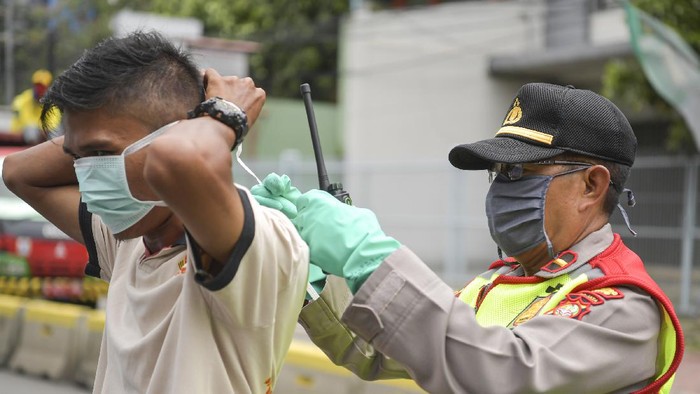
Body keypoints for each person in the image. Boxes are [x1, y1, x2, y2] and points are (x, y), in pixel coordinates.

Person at [252, 83, 685, 393]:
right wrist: (310, 271)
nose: (501, 188)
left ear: (592, 186)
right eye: (497, 173)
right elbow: (381, 351)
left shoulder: (622, 306)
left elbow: (503, 374)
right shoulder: (497, 283)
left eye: (519, 172)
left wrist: (368, 254)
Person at [2, 31, 309, 393]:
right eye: (77, 160)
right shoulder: (130, 242)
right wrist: (85, 137)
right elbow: (18, 173)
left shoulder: (252, 245)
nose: (87, 177)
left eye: (101, 155)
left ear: (176, 136)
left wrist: (222, 115)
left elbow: (176, 161)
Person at [10, 69, 61, 143]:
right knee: (31, 131)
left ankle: (54, 152)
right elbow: (22, 124)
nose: (39, 90)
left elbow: (53, 126)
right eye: (37, 86)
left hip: (43, 136)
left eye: (42, 87)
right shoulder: (23, 99)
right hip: (23, 137)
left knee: (56, 132)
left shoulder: (52, 103)